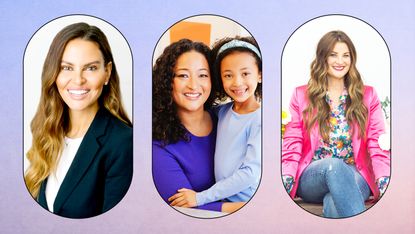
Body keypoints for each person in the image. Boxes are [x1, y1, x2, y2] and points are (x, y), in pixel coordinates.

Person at [24, 22, 133, 218]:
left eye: (90, 68)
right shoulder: (46, 130)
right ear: (54, 73)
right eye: (67, 68)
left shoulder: (124, 142)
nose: (78, 80)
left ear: (106, 73)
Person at [282, 30, 390, 218]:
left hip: (356, 173)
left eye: (345, 55)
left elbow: (376, 140)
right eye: (333, 54)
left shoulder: (368, 95)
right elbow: (292, 140)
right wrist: (287, 177)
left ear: (352, 59)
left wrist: (383, 179)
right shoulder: (301, 95)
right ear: (322, 57)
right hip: (314, 175)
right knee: (334, 166)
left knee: (334, 202)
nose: (340, 61)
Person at [152, 39, 244, 214]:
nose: (194, 85)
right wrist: (252, 207)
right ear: (167, 82)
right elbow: (184, 208)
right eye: (182, 75)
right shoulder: (158, 142)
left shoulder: (229, 118)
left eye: (202, 75)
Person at [168, 37, 261, 208]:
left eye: (245, 73)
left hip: (246, 202)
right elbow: (194, 113)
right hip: (223, 201)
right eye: (228, 75)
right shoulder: (223, 112)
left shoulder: (260, 120)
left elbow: (250, 174)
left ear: (260, 75)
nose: (237, 82)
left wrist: (200, 198)